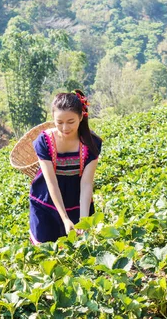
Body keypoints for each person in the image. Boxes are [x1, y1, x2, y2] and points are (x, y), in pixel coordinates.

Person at [28, 89, 103, 244]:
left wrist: (83, 220)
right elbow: (51, 183)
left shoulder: (91, 143)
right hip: (47, 201)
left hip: (77, 199)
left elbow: (87, 183)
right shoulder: (44, 142)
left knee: (80, 246)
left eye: (71, 122)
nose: (65, 128)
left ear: (81, 117)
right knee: (46, 250)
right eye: (59, 122)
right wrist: (65, 218)